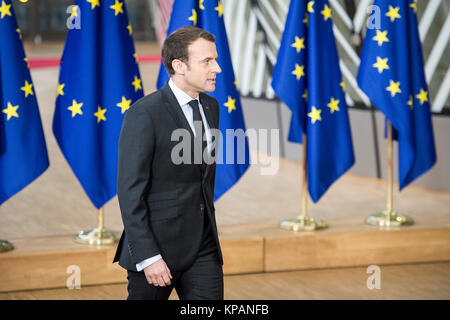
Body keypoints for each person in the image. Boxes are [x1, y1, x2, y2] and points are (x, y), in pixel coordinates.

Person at [113, 26, 224, 300]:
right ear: (179, 66)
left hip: (204, 244)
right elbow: (130, 191)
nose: (217, 69)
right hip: (156, 249)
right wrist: (148, 256)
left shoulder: (211, 107)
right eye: (207, 61)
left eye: (215, 59)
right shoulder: (144, 114)